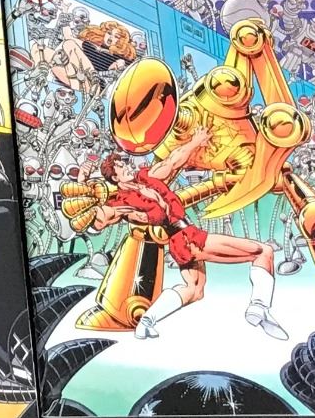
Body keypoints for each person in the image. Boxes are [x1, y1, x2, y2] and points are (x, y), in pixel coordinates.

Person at [88, 133, 287, 340]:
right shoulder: (123, 202)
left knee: (194, 290)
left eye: (125, 164)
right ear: (114, 177)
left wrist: (195, 142)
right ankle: (259, 307)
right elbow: (102, 219)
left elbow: (172, 162)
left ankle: (146, 322)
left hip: (181, 243)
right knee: (263, 251)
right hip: (189, 239)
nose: (128, 167)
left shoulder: (146, 178)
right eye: (122, 167)